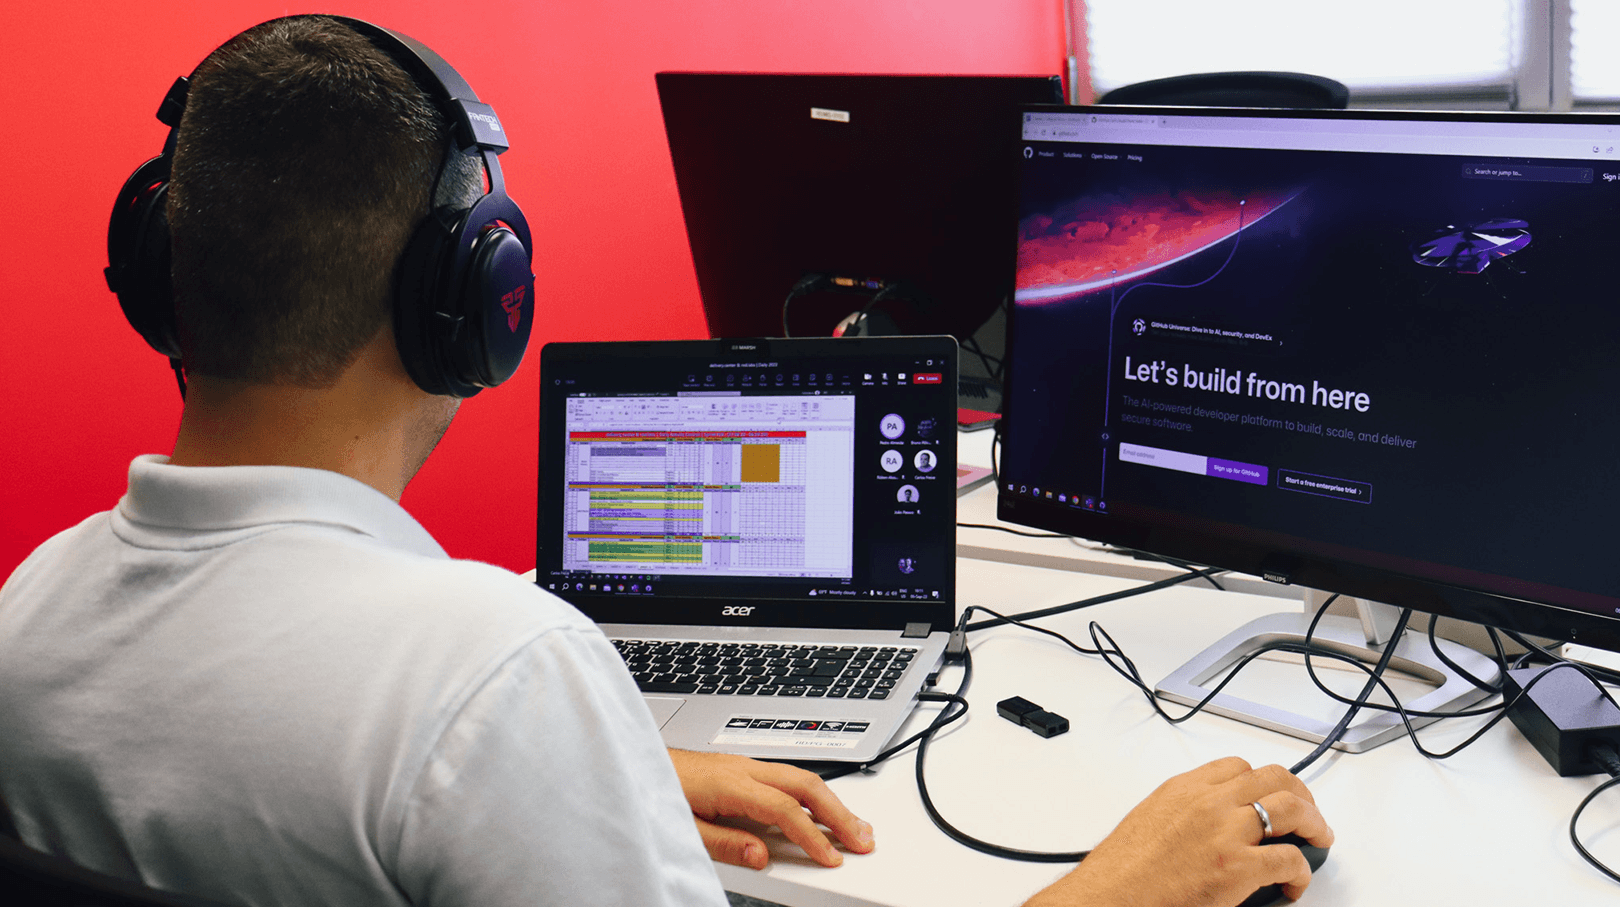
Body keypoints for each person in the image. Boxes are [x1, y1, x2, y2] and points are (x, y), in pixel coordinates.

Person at [0, 16, 1332, 907]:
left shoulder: (29, 615)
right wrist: (1109, 887)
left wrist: (595, 766)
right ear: (476, 296)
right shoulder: (494, 675)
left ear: (160, 280)